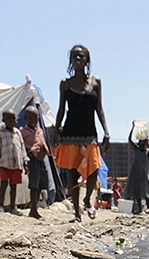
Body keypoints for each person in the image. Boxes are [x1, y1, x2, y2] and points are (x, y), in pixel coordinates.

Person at [52, 44, 111, 223]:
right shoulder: (65, 84)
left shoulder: (96, 82)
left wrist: (106, 132)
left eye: (81, 56)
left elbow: (99, 108)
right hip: (70, 134)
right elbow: (61, 110)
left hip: (89, 133)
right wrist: (56, 130)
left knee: (94, 169)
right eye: (74, 57)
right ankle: (77, 213)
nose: (78, 59)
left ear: (87, 60)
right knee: (71, 173)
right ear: (71, 61)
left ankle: (87, 200)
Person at [0, 110, 28, 215]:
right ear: (3, 120)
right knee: (4, 184)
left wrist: (25, 162)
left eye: (13, 118)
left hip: (16, 164)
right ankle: (1, 205)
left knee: (14, 186)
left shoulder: (18, 133)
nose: (11, 121)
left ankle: (12, 206)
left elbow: (22, 148)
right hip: (4, 163)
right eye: (8, 118)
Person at [20, 105, 49, 219]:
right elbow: (21, 145)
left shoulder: (40, 130)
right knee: (34, 185)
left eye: (35, 118)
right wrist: (28, 154)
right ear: (26, 119)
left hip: (42, 160)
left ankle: (35, 208)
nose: (33, 120)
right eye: (30, 118)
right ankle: (33, 209)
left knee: (41, 185)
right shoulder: (23, 131)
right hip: (33, 160)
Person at [124, 121, 149, 214]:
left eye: (143, 144)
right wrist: (132, 128)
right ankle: (140, 209)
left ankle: (148, 208)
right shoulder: (136, 150)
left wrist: (148, 142)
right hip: (136, 172)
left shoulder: (147, 152)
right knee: (137, 191)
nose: (141, 145)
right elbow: (129, 140)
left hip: (144, 173)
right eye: (140, 144)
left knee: (146, 191)